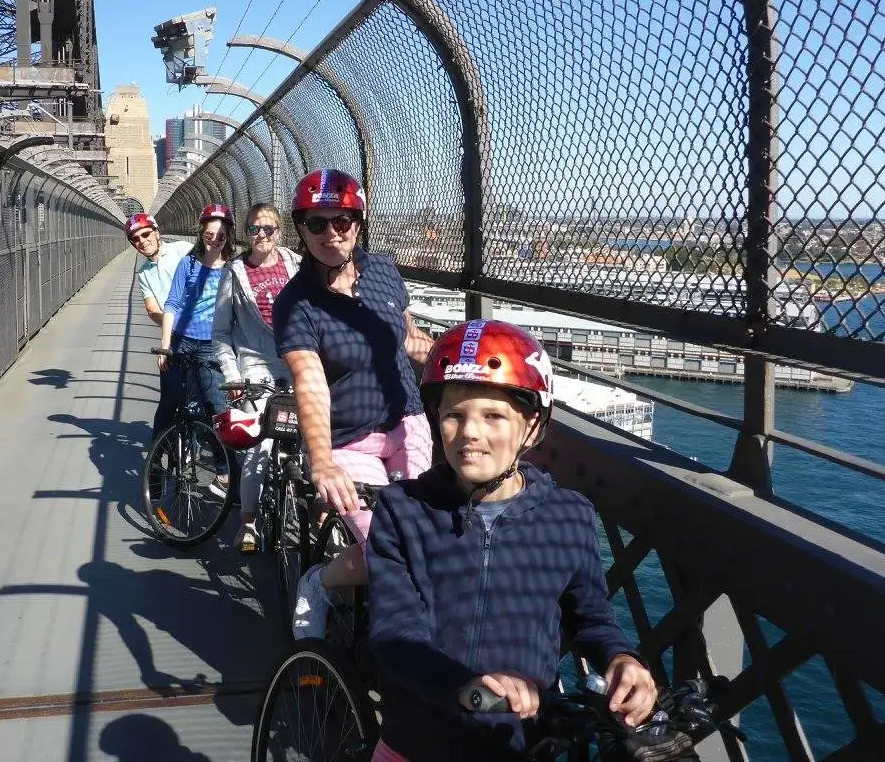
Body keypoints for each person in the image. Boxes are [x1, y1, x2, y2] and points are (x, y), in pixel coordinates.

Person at [366, 319, 657, 762]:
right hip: (417, 740)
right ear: (435, 419)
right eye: (454, 415)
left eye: (494, 416)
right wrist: (468, 689)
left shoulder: (569, 515)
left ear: (532, 426)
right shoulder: (402, 510)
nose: (470, 434)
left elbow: (591, 618)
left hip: (520, 743)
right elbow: (396, 634)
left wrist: (621, 659)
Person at [272, 169, 435, 639]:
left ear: (358, 222)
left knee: (430, 535)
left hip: (408, 424)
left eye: (341, 220)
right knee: (382, 545)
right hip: (348, 441)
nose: (330, 233)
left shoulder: (383, 271)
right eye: (316, 223)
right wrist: (321, 461)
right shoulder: (297, 303)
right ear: (300, 230)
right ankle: (317, 583)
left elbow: (406, 339)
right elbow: (309, 382)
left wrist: (457, 357)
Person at [211, 203, 301, 552]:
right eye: (254, 230)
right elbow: (220, 332)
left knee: (313, 437)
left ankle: (321, 517)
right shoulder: (234, 272)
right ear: (246, 233)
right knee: (261, 442)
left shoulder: (295, 265)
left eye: (269, 229)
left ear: (279, 232)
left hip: (295, 361)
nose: (262, 236)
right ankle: (248, 524)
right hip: (254, 367)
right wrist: (233, 375)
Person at [158, 204, 236, 494]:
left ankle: (225, 473)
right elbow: (172, 303)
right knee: (180, 404)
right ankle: (170, 460)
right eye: (209, 234)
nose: (214, 240)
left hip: (211, 345)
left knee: (217, 406)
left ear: (228, 236)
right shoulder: (189, 264)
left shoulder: (232, 269)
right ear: (201, 233)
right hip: (182, 340)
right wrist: (166, 345)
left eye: (221, 235)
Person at [126, 212, 192, 442]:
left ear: (156, 232)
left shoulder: (182, 249)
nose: (142, 241)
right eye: (136, 239)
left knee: (207, 399)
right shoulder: (144, 273)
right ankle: (155, 463)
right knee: (169, 400)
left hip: (204, 334)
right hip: (173, 337)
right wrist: (170, 325)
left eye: (146, 234)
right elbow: (152, 309)